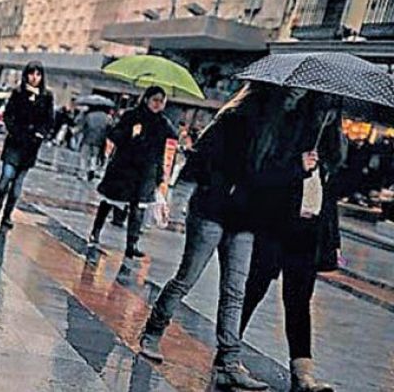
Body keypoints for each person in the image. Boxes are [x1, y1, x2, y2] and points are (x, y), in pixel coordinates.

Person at [137, 83, 319, 391]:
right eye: (288, 97)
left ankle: (228, 363)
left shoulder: (281, 133)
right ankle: (152, 332)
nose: (291, 103)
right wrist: (224, 182)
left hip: (245, 219)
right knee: (187, 278)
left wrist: (298, 168)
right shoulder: (233, 119)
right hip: (212, 211)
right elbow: (202, 163)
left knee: (235, 291)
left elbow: (269, 180)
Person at [238, 90, 342, 392]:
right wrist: (298, 166)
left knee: (298, 303)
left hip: (309, 236)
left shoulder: (332, 148)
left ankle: (302, 374)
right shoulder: (286, 130)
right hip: (276, 228)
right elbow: (261, 179)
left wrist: (332, 240)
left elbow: (330, 200)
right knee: (252, 291)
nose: (327, 117)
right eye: (323, 110)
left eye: (333, 112)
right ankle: (227, 356)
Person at [89, 87, 175, 259]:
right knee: (109, 201)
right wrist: (131, 132)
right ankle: (95, 231)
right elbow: (114, 136)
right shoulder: (131, 116)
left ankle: (132, 244)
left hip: (146, 172)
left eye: (162, 102)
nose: (158, 104)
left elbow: (162, 149)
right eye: (155, 100)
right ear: (146, 99)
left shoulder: (164, 124)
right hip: (124, 168)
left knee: (138, 208)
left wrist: (160, 175)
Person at [0, 62, 54, 228]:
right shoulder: (18, 92)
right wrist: (14, 130)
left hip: (31, 146)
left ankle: (7, 215)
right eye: (31, 74)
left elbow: (49, 120)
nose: (34, 78)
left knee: (17, 185)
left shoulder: (46, 96)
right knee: (6, 178)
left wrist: (40, 134)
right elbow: (8, 114)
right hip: (15, 142)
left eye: (38, 74)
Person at [79, 106, 111, 181]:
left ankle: (83, 173)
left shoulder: (89, 115)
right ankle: (92, 168)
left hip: (88, 138)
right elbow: (109, 129)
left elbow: (83, 126)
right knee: (95, 155)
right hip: (99, 139)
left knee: (84, 156)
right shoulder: (107, 118)